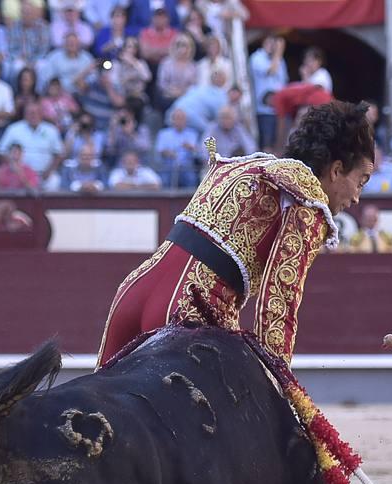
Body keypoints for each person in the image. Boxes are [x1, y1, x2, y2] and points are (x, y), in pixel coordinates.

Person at [97, 100, 374, 367]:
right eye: (360, 182)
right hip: (192, 307)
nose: (357, 198)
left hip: (133, 291)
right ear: (337, 170)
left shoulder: (242, 165)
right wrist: (280, 384)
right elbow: (278, 300)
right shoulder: (307, 198)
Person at [0, 99, 63, 189]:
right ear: (25, 115)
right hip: (20, 174)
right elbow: (0, 152)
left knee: (54, 182)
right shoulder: (14, 129)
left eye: (36, 113)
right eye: (30, 113)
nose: (33, 116)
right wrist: (14, 168)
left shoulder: (51, 130)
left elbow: (59, 154)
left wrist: (49, 171)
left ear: (41, 114)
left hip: (44, 174)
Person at [249, 34, 288, 151]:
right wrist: (279, 53)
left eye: (274, 43)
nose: (272, 46)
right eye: (270, 42)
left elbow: (284, 82)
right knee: (266, 146)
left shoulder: (280, 60)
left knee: (279, 145)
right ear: (263, 43)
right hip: (264, 110)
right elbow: (271, 70)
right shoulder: (257, 57)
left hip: (279, 109)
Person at [154, 105, 201, 187]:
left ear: (186, 120)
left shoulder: (192, 134)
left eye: (182, 118)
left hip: (187, 167)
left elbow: (197, 153)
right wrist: (168, 153)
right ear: (172, 120)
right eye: (177, 118)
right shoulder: (164, 134)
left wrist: (191, 148)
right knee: (164, 180)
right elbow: (160, 151)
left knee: (192, 179)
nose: (180, 121)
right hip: (168, 166)